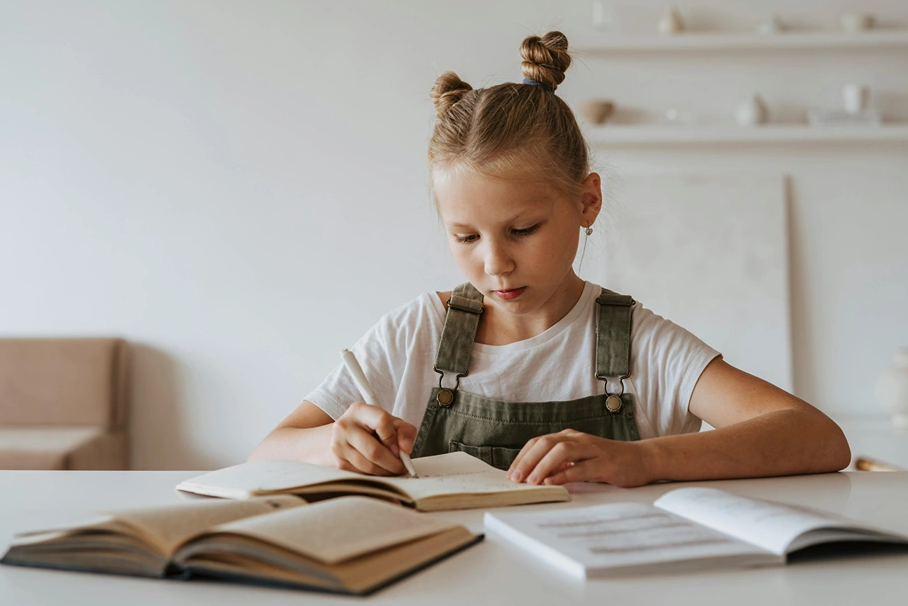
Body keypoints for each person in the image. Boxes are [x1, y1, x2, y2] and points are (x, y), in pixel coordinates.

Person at [250, 31, 851, 487]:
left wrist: (641, 459)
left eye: (522, 229)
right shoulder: (417, 334)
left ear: (587, 201)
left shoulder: (637, 343)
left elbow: (818, 438)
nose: (495, 264)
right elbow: (268, 450)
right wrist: (332, 443)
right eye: (465, 238)